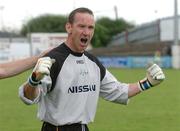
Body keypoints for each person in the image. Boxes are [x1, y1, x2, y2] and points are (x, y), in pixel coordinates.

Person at [19, 7, 165, 131]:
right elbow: (29, 98)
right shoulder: (53, 60)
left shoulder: (93, 62)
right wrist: (32, 81)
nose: (86, 32)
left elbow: (118, 91)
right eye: (81, 26)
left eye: (90, 27)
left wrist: (148, 83)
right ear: (69, 27)